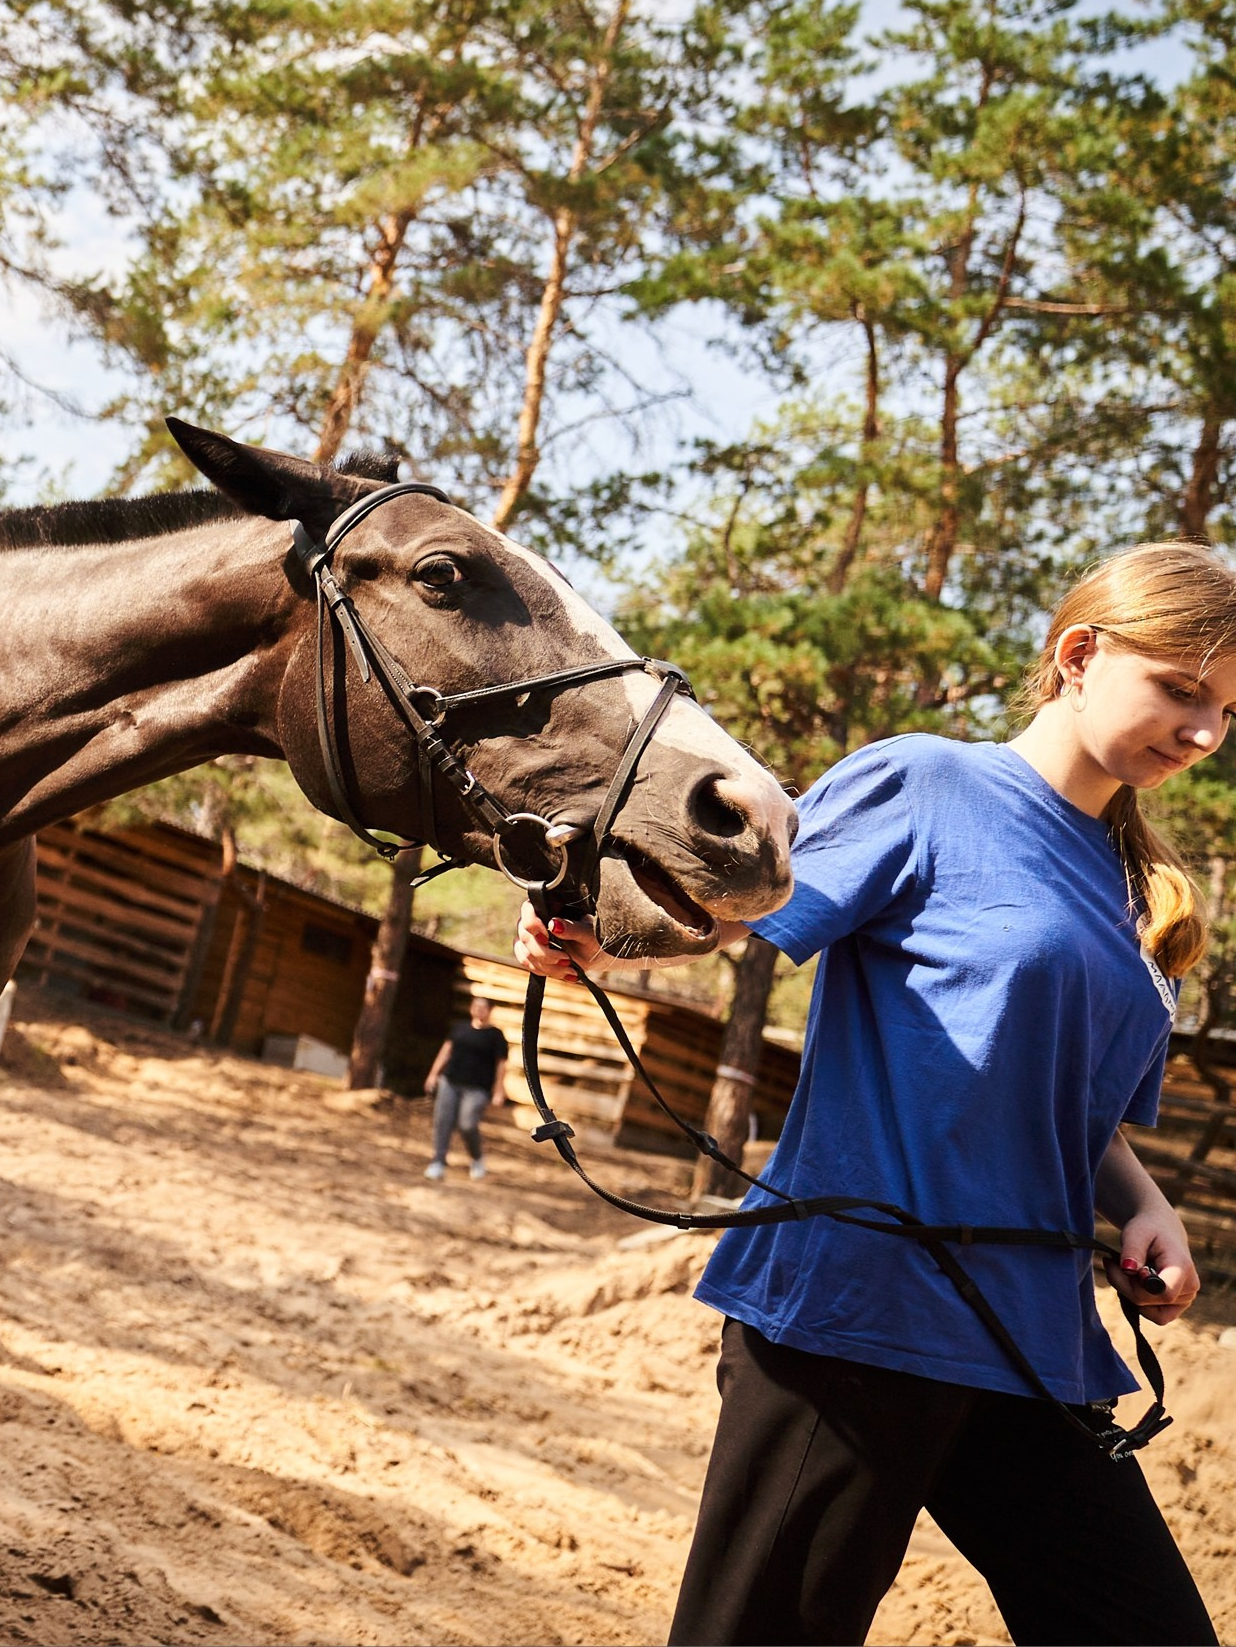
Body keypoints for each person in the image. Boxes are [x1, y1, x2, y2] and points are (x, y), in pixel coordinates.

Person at [516, 543, 1236, 1646]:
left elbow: (1062, 1108)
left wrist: (1142, 1202)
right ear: (1078, 655)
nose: (1201, 732)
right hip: (856, 1319)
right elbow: (731, 908)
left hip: (1030, 1340)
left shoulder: (1143, 894)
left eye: (1225, 709)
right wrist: (594, 940)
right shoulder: (928, 786)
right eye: (1181, 689)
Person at [422, 996, 507, 1181]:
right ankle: (438, 1162)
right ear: (471, 1008)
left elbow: (501, 1064)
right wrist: (433, 1074)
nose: (479, 1010)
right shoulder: (460, 1028)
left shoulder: (496, 1036)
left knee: (467, 1124)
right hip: (450, 1082)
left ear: (490, 1010)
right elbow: (446, 1051)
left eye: (483, 1007)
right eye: (476, 1006)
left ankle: (477, 1158)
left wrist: (499, 1090)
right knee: (442, 1122)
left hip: (477, 1088)